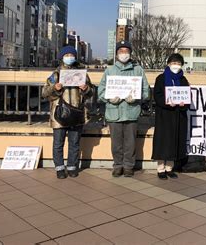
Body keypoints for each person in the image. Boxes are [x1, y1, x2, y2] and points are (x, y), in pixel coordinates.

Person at [98, 41, 150, 177]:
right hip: (113, 112)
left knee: (130, 143)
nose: (123, 54)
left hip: (131, 111)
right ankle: (117, 165)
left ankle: (128, 166)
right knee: (116, 143)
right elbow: (100, 91)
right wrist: (108, 98)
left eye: (126, 51)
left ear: (130, 53)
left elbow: (146, 90)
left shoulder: (138, 70)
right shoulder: (109, 70)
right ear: (116, 54)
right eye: (121, 51)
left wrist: (137, 97)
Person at [42, 46, 94, 179]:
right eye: (67, 55)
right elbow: (45, 93)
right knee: (58, 143)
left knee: (74, 142)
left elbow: (92, 92)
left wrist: (86, 89)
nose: (69, 57)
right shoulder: (56, 74)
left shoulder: (82, 73)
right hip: (59, 114)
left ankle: (72, 166)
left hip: (77, 112)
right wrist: (55, 88)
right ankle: (59, 168)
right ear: (62, 57)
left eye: (72, 55)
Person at [152, 53, 190, 179]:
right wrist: (168, 103)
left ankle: (170, 168)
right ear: (168, 64)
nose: (176, 65)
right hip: (164, 115)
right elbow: (157, 96)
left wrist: (184, 103)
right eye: (174, 63)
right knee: (163, 141)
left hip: (179, 115)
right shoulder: (161, 78)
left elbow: (188, 97)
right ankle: (160, 168)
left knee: (175, 141)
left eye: (179, 63)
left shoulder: (183, 80)